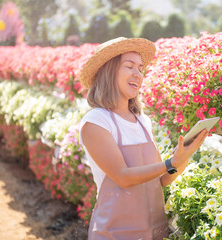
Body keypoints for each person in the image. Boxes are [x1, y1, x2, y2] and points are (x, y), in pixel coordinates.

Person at [79, 37, 208, 240]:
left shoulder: (142, 121)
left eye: (140, 68)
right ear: (108, 72)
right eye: (129, 66)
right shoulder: (97, 122)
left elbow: (163, 179)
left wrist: (184, 157)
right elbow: (123, 177)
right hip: (115, 233)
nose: (137, 74)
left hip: (153, 231)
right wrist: (170, 162)